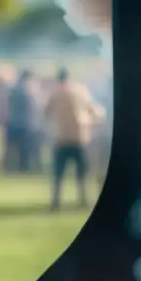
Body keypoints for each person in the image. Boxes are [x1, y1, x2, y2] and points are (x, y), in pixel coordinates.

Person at [45, 68, 105, 209]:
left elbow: (46, 112)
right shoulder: (80, 91)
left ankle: (56, 201)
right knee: (82, 172)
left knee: (58, 173)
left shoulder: (54, 93)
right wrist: (91, 122)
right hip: (79, 137)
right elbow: (94, 111)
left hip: (60, 138)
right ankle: (83, 200)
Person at [7, 69, 45, 173]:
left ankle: (20, 167)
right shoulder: (29, 90)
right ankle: (25, 167)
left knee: (19, 149)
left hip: (17, 123)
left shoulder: (15, 89)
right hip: (27, 125)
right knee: (27, 149)